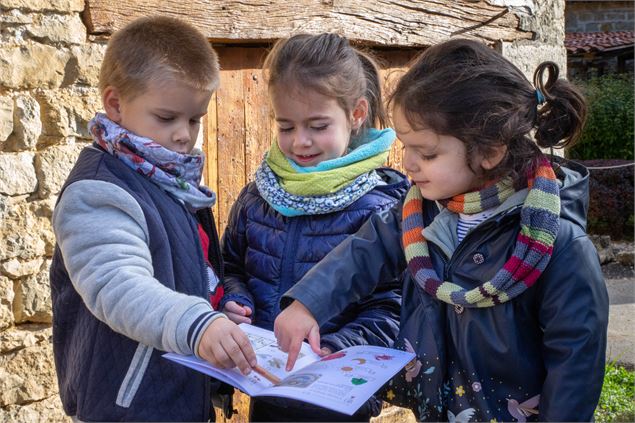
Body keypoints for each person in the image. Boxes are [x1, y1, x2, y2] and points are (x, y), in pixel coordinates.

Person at [274, 38, 609, 422]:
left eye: (427, 153)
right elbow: (361, 253)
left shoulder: (560, 248)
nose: (409, 164)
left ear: (490, 151)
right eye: (406, 147)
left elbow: (576, 363)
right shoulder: (420, 212)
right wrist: (306, 304)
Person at [49, 16, 257, 422]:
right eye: (167, 118)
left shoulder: (166, 177)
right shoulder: (97, 192)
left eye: (195, 119)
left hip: (179, 394)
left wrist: (214, 305)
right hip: (125, 406)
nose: (184, 135)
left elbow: (180, 270)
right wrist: (198, 324)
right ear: (115, 104)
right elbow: (118, 284)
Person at [219, 33, 408, 422]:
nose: (300, 142)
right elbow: (231, 266)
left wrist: (336, 349)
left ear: (356, 114)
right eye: (286, 127)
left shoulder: (383, 209)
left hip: (337, 393)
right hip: (266, 387)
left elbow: (395, 305)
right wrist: (235, 302)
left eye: (317, 126)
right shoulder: (259, 195)